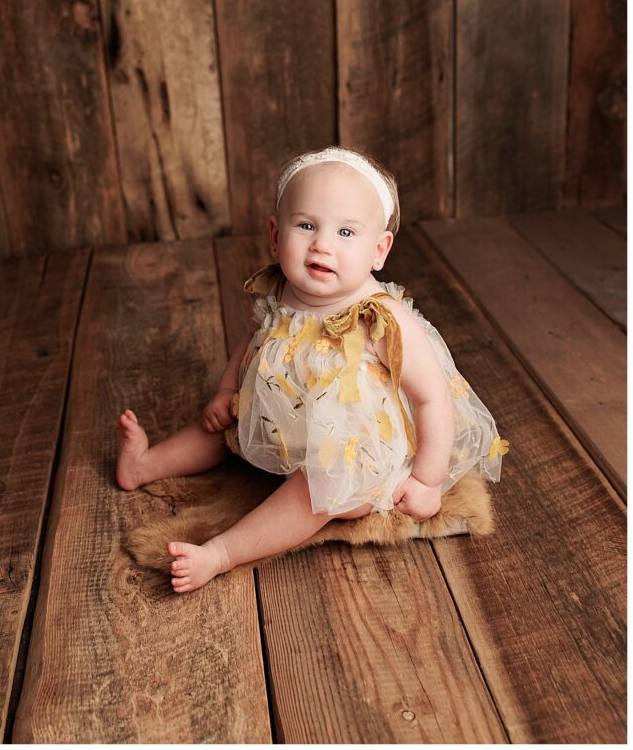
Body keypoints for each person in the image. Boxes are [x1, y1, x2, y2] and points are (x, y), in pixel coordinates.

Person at [115, 146, 508, 593]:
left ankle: (221, 553)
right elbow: (253, 342)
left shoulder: (380, 319)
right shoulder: (282, 289)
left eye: (345, 231)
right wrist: (228, 391)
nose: (322, 244)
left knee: (318, 491)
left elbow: (431, 397)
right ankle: (144, 465)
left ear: (379, 250)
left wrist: (426, 480)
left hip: (358, 449)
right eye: (306, 226)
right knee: (221, 425)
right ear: (275, 236)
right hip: (288, 416)